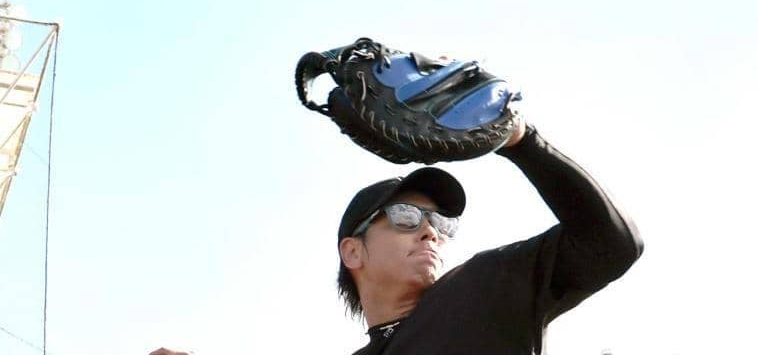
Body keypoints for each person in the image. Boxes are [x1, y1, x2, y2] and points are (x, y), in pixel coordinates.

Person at [151, 122, 642, 354]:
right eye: (406, 217)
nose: (430, 230)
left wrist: (521, 141)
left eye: (441, 224)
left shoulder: (487, 285)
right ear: (353, 251)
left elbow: (612, 244)